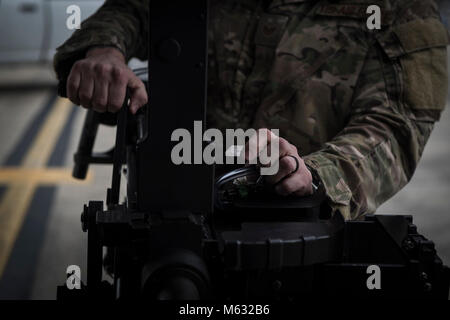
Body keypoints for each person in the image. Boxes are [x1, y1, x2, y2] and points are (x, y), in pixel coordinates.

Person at [54, 0, 449, 220]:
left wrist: (312, 175)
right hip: (177, 212)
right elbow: (136, 7)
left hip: (297, 231)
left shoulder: (401, 10)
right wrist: (106, 48)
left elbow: (398, 124)